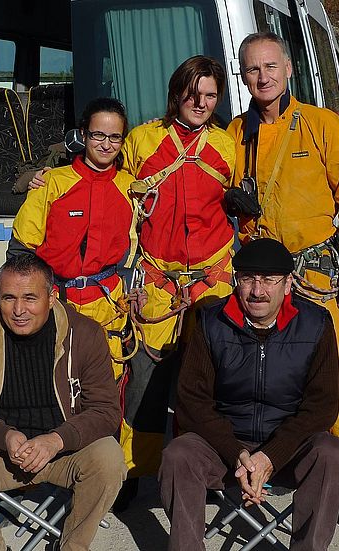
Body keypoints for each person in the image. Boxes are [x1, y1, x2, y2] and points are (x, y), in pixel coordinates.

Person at [224, 32, 339, 524]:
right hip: (260, 276)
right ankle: (261, 464)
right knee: (258, 367)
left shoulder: (320, 124)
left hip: (313, 271)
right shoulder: (234, 134)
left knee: (335, 371)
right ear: (242, 76)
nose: (262, 77)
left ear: (288, 69)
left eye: (270, 66)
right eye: (252, 69)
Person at [159, 238, 339, 551]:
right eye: (248, 279)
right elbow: (192, 400)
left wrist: (270, 455)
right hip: (223, 444)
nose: (257, 291)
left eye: (268, 280)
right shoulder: (211, 321)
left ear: (288, 284)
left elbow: (322, 406)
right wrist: (235, 451)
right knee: (178, 455)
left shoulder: (315, 324)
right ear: (237, 281)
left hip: (289, 447)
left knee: (331, 454)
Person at [0, 255, 126, 551]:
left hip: (64, 451)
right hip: (2, 455)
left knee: (109, 458)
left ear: (51, 298)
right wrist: (3, 436)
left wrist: (56, 440)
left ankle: (72, 546)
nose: (18, 310)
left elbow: (106, 411)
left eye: (30, 298)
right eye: (8, 298)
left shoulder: (84, 334)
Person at [117, 55, 236, 498]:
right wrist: (50, 174)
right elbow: (106, 180)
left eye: (210, 95)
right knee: (144, 381)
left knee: (212, 382)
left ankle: (206, 469)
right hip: (158, 281)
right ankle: (135, 470)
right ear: (177, 93)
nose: (200, 103)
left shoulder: (227, 146)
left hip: (213, 280)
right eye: (193, 93)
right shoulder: (142, 140)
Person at [8, 97, 138, 381]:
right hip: (57, 303)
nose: (106, 145)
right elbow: (21, 251)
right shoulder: (52, 182)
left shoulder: (130, 188)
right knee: (55, 383)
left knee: (106, 386)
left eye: (115, 137)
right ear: (83, 134)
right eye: (98, 135)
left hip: (108, 306)